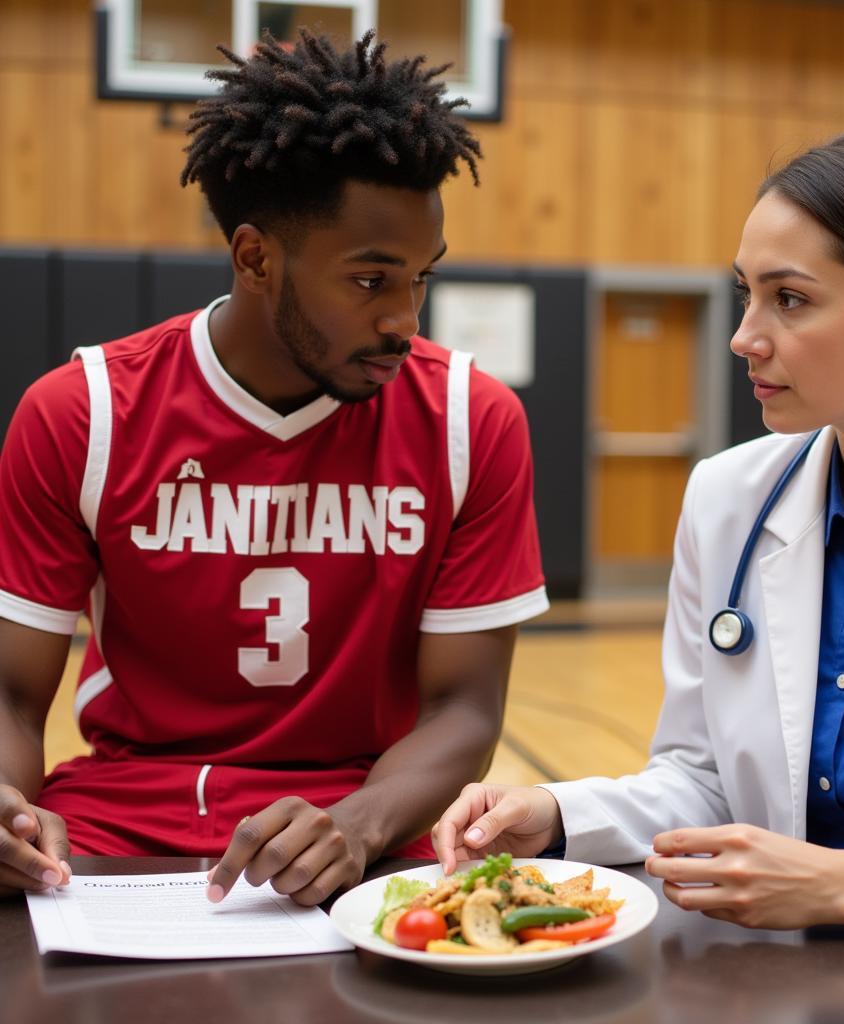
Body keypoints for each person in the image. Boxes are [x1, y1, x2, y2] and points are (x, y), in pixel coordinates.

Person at [433, 125, 844, 945]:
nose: (744, 335)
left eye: (790, 299)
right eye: (745, 292)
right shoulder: (728, 499)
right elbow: (703, 780)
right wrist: (561, 813)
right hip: (772, 983)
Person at [0, 30, 548, 906]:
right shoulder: (83, 412)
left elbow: (464, 710)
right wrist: (9, 813)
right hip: (116, 822)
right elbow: (11, 696)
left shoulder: (471, 420)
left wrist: (361, 824)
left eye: (421, 279)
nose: (406, 319)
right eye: (371, 281)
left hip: (366, 823)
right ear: (256, 258)